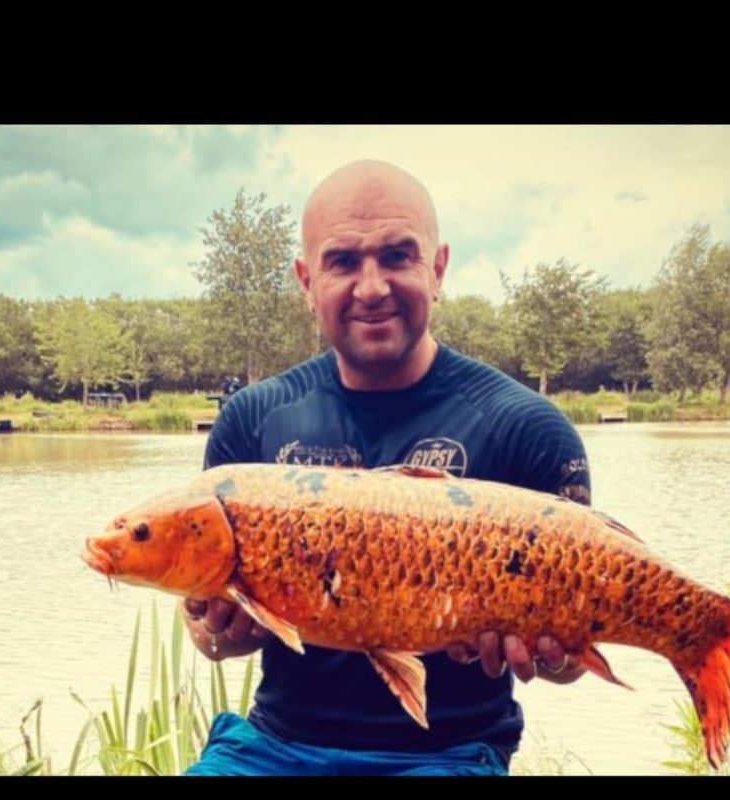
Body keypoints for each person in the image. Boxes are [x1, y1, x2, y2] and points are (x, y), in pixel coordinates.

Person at [183, 160, 591, 776]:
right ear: (305, 280)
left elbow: (570, 666)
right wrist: (216, 622)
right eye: (343, 261)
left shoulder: (527, 429)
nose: (371, 287)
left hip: (448, 752)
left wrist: (549, 652)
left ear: (438, 269)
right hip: (275, 748)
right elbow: (215, 646)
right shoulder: (251, 421)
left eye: (398, 257)